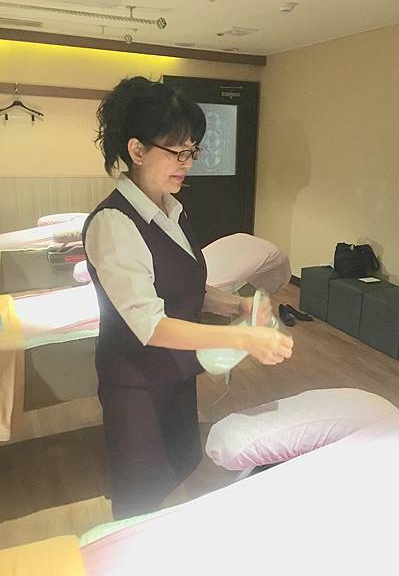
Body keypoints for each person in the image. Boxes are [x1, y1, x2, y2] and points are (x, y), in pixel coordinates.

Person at [82, 76, 293, 520]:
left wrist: (239, 305)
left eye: (191, 151)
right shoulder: (114, 224)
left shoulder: (171, 210)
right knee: (140, 500)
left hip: (175, 374)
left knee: (177, 475)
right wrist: (244, 338)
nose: (187, 163)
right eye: (176, 151)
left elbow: (185, 287)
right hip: (136, 387)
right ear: (137, 150)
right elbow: (151, 325)